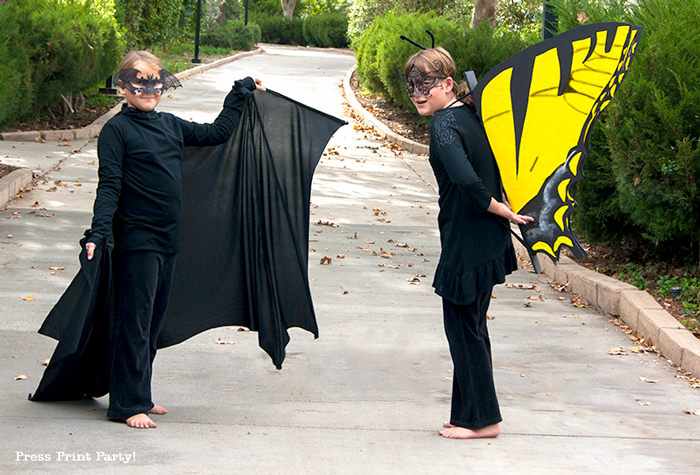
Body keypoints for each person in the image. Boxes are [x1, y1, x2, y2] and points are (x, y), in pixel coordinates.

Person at [85, 50, 264, 429]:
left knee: (151, 322)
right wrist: (99, 231)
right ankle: (126, 404)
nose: (149, 89)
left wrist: (239, 92)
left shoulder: (169, 125)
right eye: (139, 82)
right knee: (134, 321)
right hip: (136, 239)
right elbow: (109, 186)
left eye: (155, 81)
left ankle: (141, 395)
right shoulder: (117, 131)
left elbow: (216, 134)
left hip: (168, 238)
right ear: (122, 87)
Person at [403, 47, 534, 439]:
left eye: (426, 85)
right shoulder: (473, 116)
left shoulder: (443, 124)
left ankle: (482, 422)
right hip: (483, 240)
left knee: (465, 330)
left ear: (447, 83)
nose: (417, 93)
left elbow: (465, 179)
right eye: (411, 86)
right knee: (471, 326)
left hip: (469, 239)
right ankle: (467, 413)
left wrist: (501, 209)